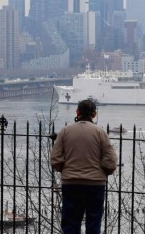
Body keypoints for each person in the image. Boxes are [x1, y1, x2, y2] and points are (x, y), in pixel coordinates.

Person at [51, 98, 118, 234]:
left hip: (71, 183)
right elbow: (110, 161)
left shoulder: (65, 131)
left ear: (77, 112)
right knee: (94, 223)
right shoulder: (100, 133)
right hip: (96, 185)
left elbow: (55, 159)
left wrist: (66, 171)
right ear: (94, 114)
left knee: (70, 223)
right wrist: (103, 172)